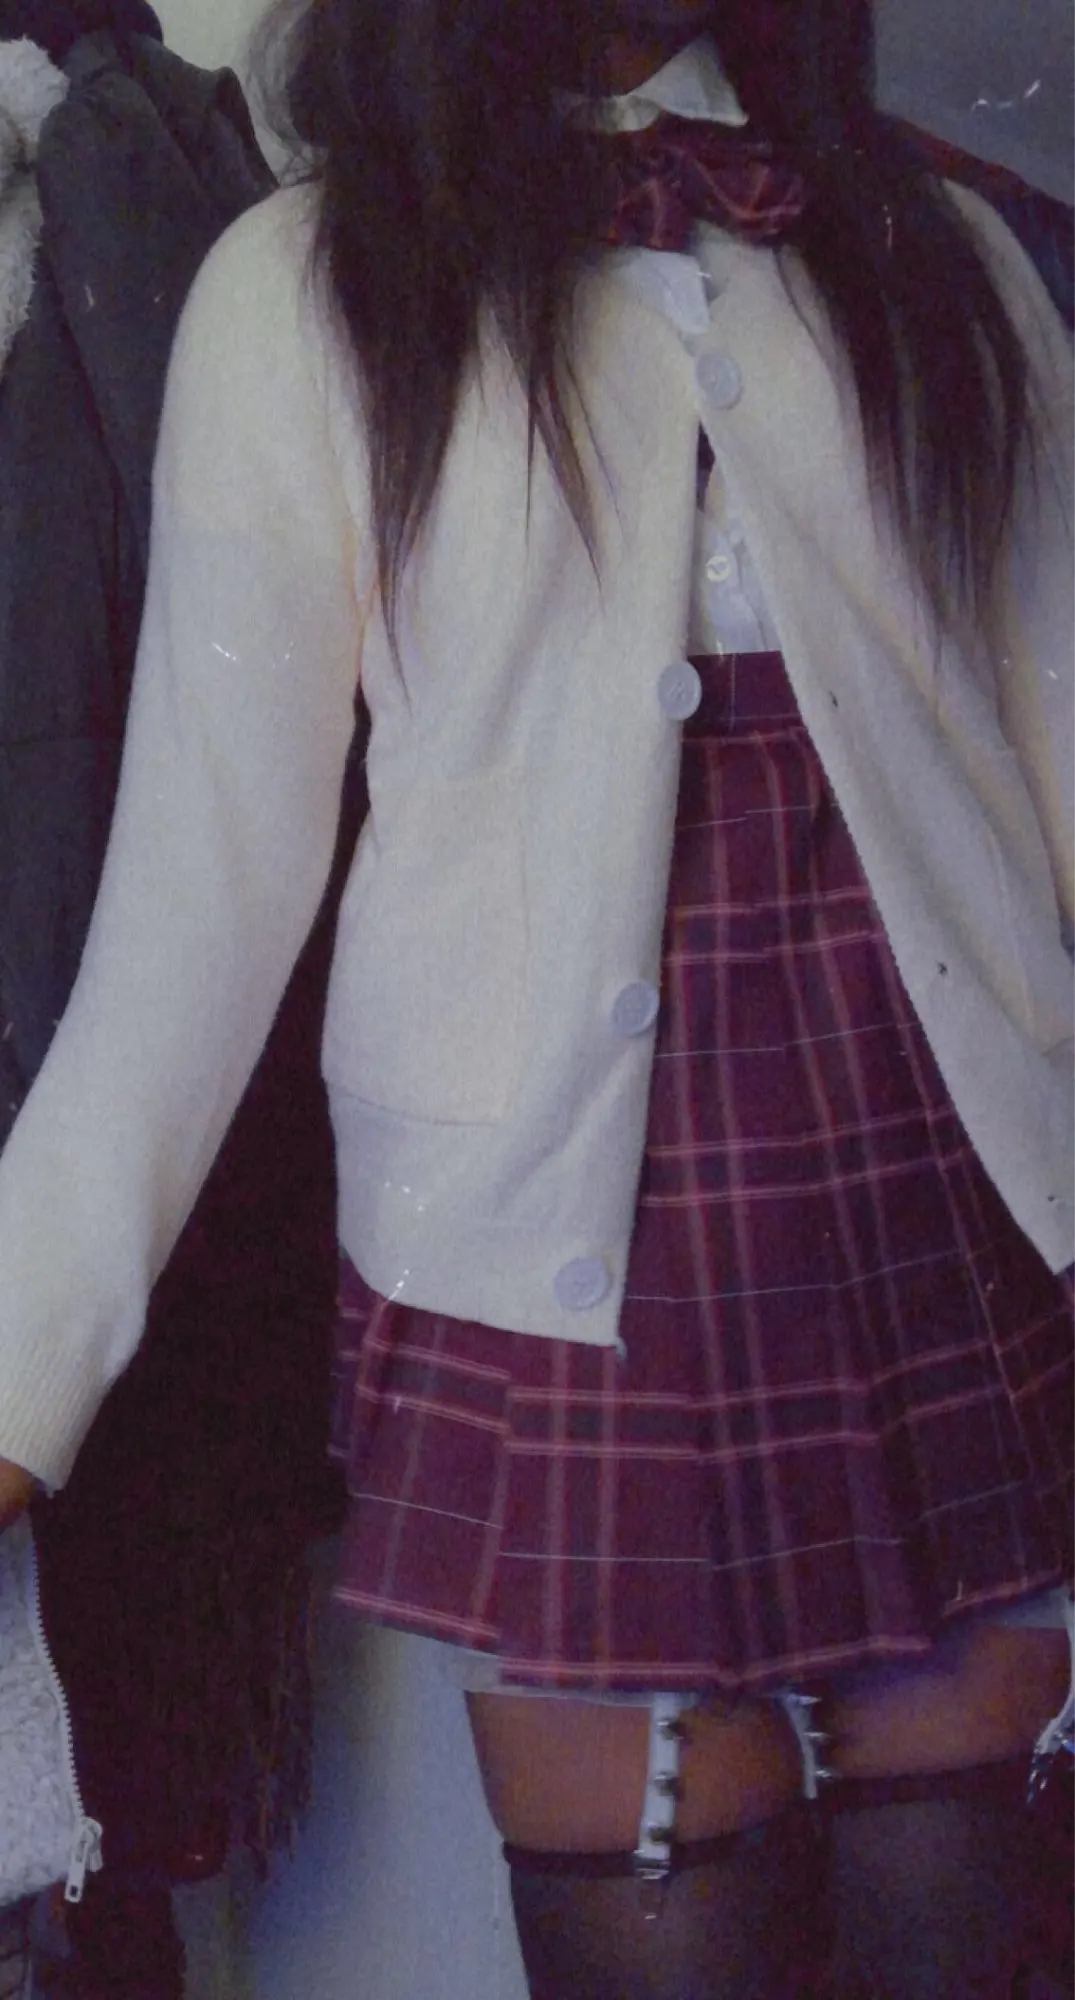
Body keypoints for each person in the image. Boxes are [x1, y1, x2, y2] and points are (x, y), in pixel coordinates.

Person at [0, 0, 1071, 1992]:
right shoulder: (301, 297)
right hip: (553, 1262)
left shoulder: (948, 255)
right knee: (663, 1933)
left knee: (976, 1930)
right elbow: (190, 920)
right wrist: (17, 1379)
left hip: (938, 1202)